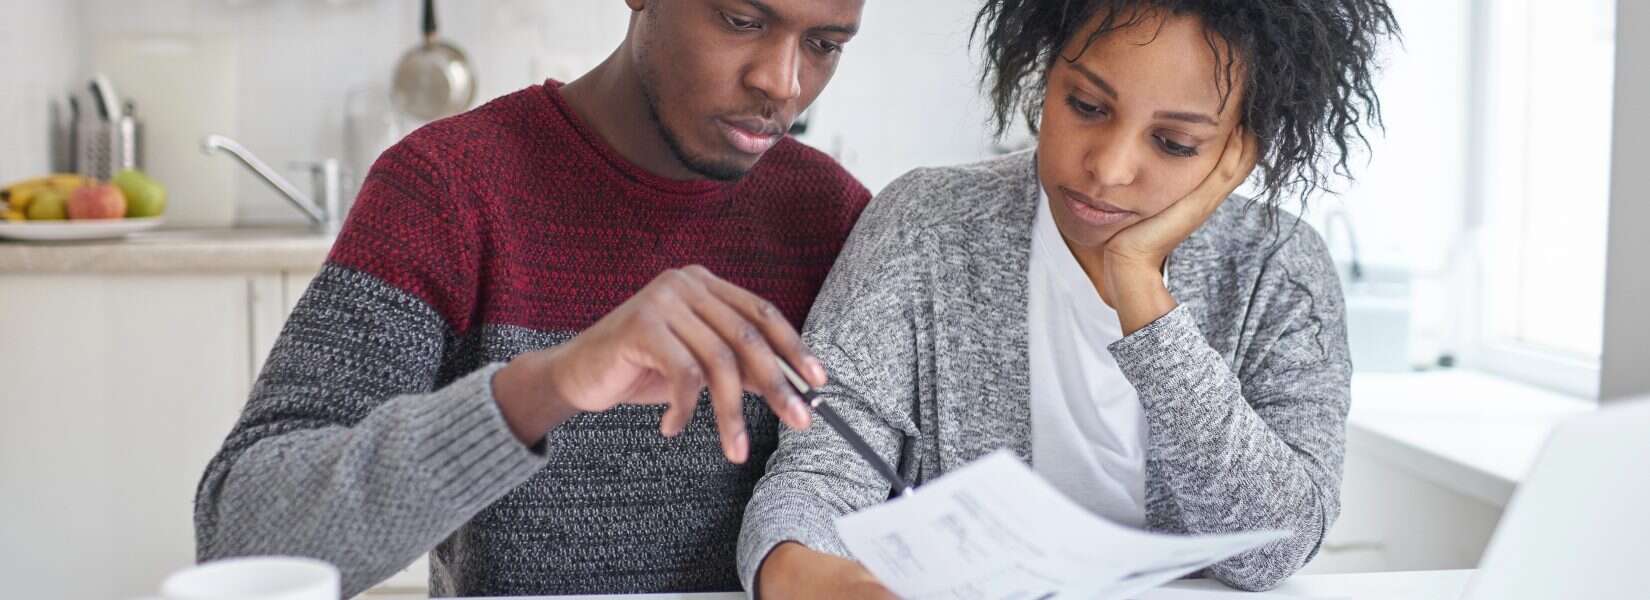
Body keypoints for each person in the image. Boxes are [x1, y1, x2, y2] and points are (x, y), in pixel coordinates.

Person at [193, 0, 869, 596]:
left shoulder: (833, 217)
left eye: (825, 46)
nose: (781, 83)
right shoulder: (446, 190)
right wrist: (548, 385)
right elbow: (240, 538)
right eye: (741, 20)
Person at [740, 1, 1399, 597]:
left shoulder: (1278, 269)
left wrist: (1141, 287)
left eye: (1175, 143)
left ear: (1240, 150)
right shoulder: (925, 224)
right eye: (1086, 105)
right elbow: (821, 469)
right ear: (1045, 70)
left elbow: (1273, 548)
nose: (1108, 168)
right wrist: (806, 572)